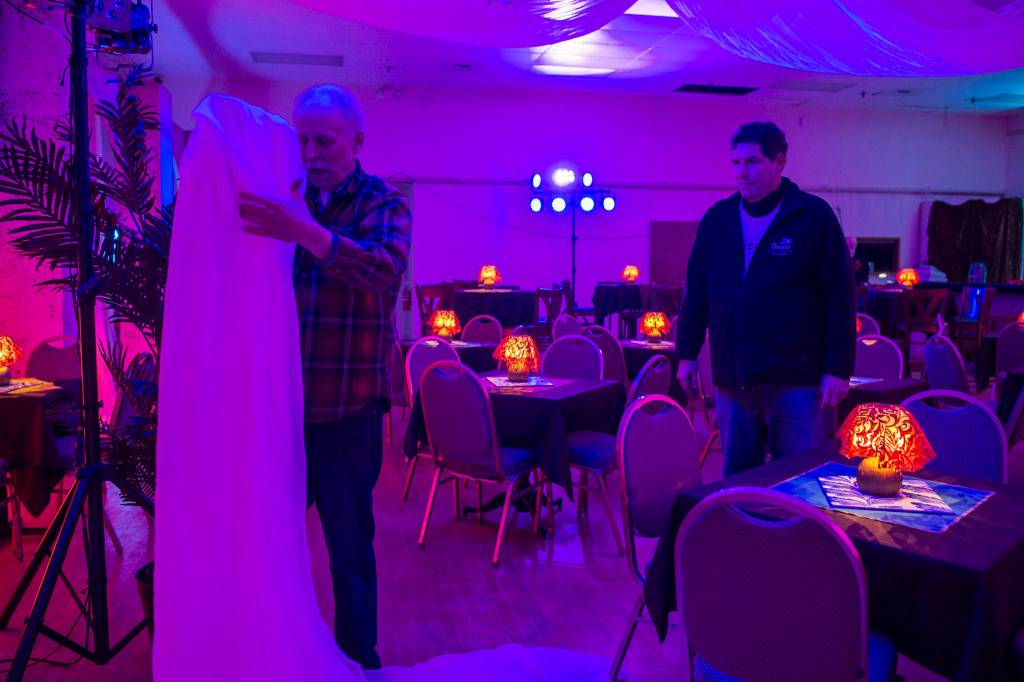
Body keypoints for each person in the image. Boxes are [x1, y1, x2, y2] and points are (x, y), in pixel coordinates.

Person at [238, 84, 411, 669]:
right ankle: (280, 649)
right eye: (302, 139)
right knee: (273, 543)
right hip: (282, 409)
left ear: (356, 143)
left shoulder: (382, 203)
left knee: (348, 549)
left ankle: (358, 661)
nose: (310, 153)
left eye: (324, 141)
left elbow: (384, 271)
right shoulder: (285, 197)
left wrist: (306, 234)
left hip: (348, 412)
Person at [676, 122, 855, 476]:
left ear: (779, 162)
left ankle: (794, 534)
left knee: (797, 479)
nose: (743, 172)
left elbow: (840, 295)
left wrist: (838, 369)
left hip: (796, 381)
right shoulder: (718, 219)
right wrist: (686, 354)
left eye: (753, 162)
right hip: (734, 379)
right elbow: (696, 292)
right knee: (740, 481)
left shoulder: (811, 216)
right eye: (737, 163)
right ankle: (744, 533)